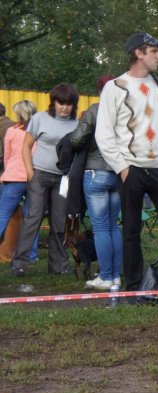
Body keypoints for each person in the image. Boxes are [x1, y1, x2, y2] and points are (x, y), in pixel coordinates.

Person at [95, 32, 158, 298]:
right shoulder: (114, 87)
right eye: (154, 51)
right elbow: (103, 134)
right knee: (130, 231)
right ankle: (134, 288)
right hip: (131, 170)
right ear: (139, 53)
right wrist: (123, 168)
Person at [11, 84, 80, 276]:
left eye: (68, 104)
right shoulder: (40, 118)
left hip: (63, 180)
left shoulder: (77, 123)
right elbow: (26, 146)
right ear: (54, 102)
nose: (64, 107)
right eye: (61, 103)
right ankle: (20, 264)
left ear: (73, 105)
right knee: (33, 219)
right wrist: (29, 172)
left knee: (58, 223)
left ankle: (58, 266)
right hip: (39, 176)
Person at [69, 74, 122, 290]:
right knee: (114, 227)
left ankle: (106, 276)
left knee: (100, 229)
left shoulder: (94, 110)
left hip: (95, 173)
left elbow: (76, 139)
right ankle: (116, 276)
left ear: (100, 91)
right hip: (119, 173)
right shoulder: (126, 111)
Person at [0, 100, 38, 255]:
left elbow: (7, 158)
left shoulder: (12, 131)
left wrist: (8, 173)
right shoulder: (38, 132)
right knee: (32, 218)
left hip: (14, 178)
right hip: (33, 177)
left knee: (2, 215)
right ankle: (32, 254)